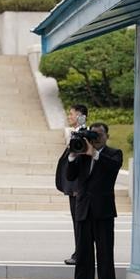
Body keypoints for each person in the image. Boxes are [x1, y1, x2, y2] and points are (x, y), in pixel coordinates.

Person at [66, 122, 122, 279]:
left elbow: (112, 169)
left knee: (105, 252)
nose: (96, 138)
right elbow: (70, 176)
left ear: (107, 136)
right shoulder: (82, 154)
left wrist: (95, 154)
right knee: (83, 253)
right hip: (83, 209)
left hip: (103, 211)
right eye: (93, 134)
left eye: (99, 134)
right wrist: (72, 156)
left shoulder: (114, 154)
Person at [56, 104, 88, 265]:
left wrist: (76, 187)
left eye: (72, 114)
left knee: (79, 222)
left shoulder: (84, 135)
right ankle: (79, 252)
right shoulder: (76, 134)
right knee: (76, 222)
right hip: (73, 188)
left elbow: (82, 163)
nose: (70, 117)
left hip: (78, 189)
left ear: (81, 116)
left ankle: (80, 254)